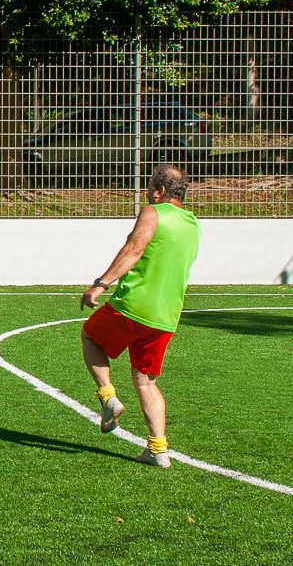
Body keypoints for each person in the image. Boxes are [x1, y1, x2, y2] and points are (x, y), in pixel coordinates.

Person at [80, 164, 200, 468]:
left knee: (90, 336)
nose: (147, 192)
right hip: (166, 316)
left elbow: (134, 249)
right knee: (146, 380)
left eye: (149, 187)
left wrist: (101, 284)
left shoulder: (153, 211)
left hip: (135, 305)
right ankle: (158, 449)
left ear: (159, 191)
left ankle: (108, 398)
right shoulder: (192, 223)